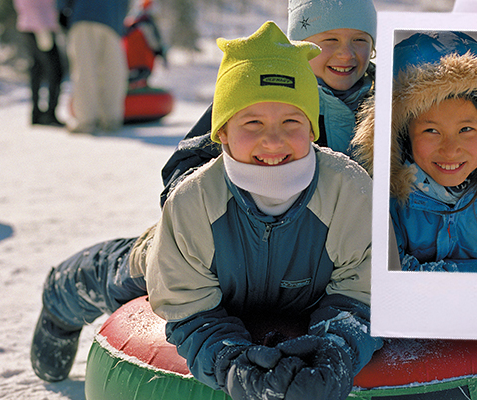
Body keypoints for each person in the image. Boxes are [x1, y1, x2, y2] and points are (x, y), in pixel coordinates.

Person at [31, 22, 381, 400]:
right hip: (194, 265)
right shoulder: (194, 199)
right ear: (222, 134)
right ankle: (61, 291)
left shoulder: (350, 189)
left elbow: (363, 291)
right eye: (253, 122)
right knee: (127, 271)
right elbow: (189, 307)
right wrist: (230, 364)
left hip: (303, 286)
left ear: (312, 129)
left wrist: (336, 352)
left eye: (291, 121)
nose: (273, 139)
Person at [352, 31, 477, 274]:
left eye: (466, 129)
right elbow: (388, 274)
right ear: (401, 133)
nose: (451, 149)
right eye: (431, 130)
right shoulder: (378, 191)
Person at [159, 0, 377, 207]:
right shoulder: (261, 93)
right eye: (330, 40)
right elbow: (183, 170)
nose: (346, 54)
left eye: (360, 40)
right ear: (301, 44)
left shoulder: (390, 102)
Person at [57, 0, 129, 133]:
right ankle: (111, 119)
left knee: (85, 69)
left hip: (84, 14)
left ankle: (86, 120)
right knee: (112, 71)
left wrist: (61, 9)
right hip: (113, 18)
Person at [13, 0, 65, 126]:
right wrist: (41, 27)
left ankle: (36, 114)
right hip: (40, 26)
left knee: (37, 68)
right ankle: (48, 114)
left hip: (31, 24)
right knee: (55, 70)